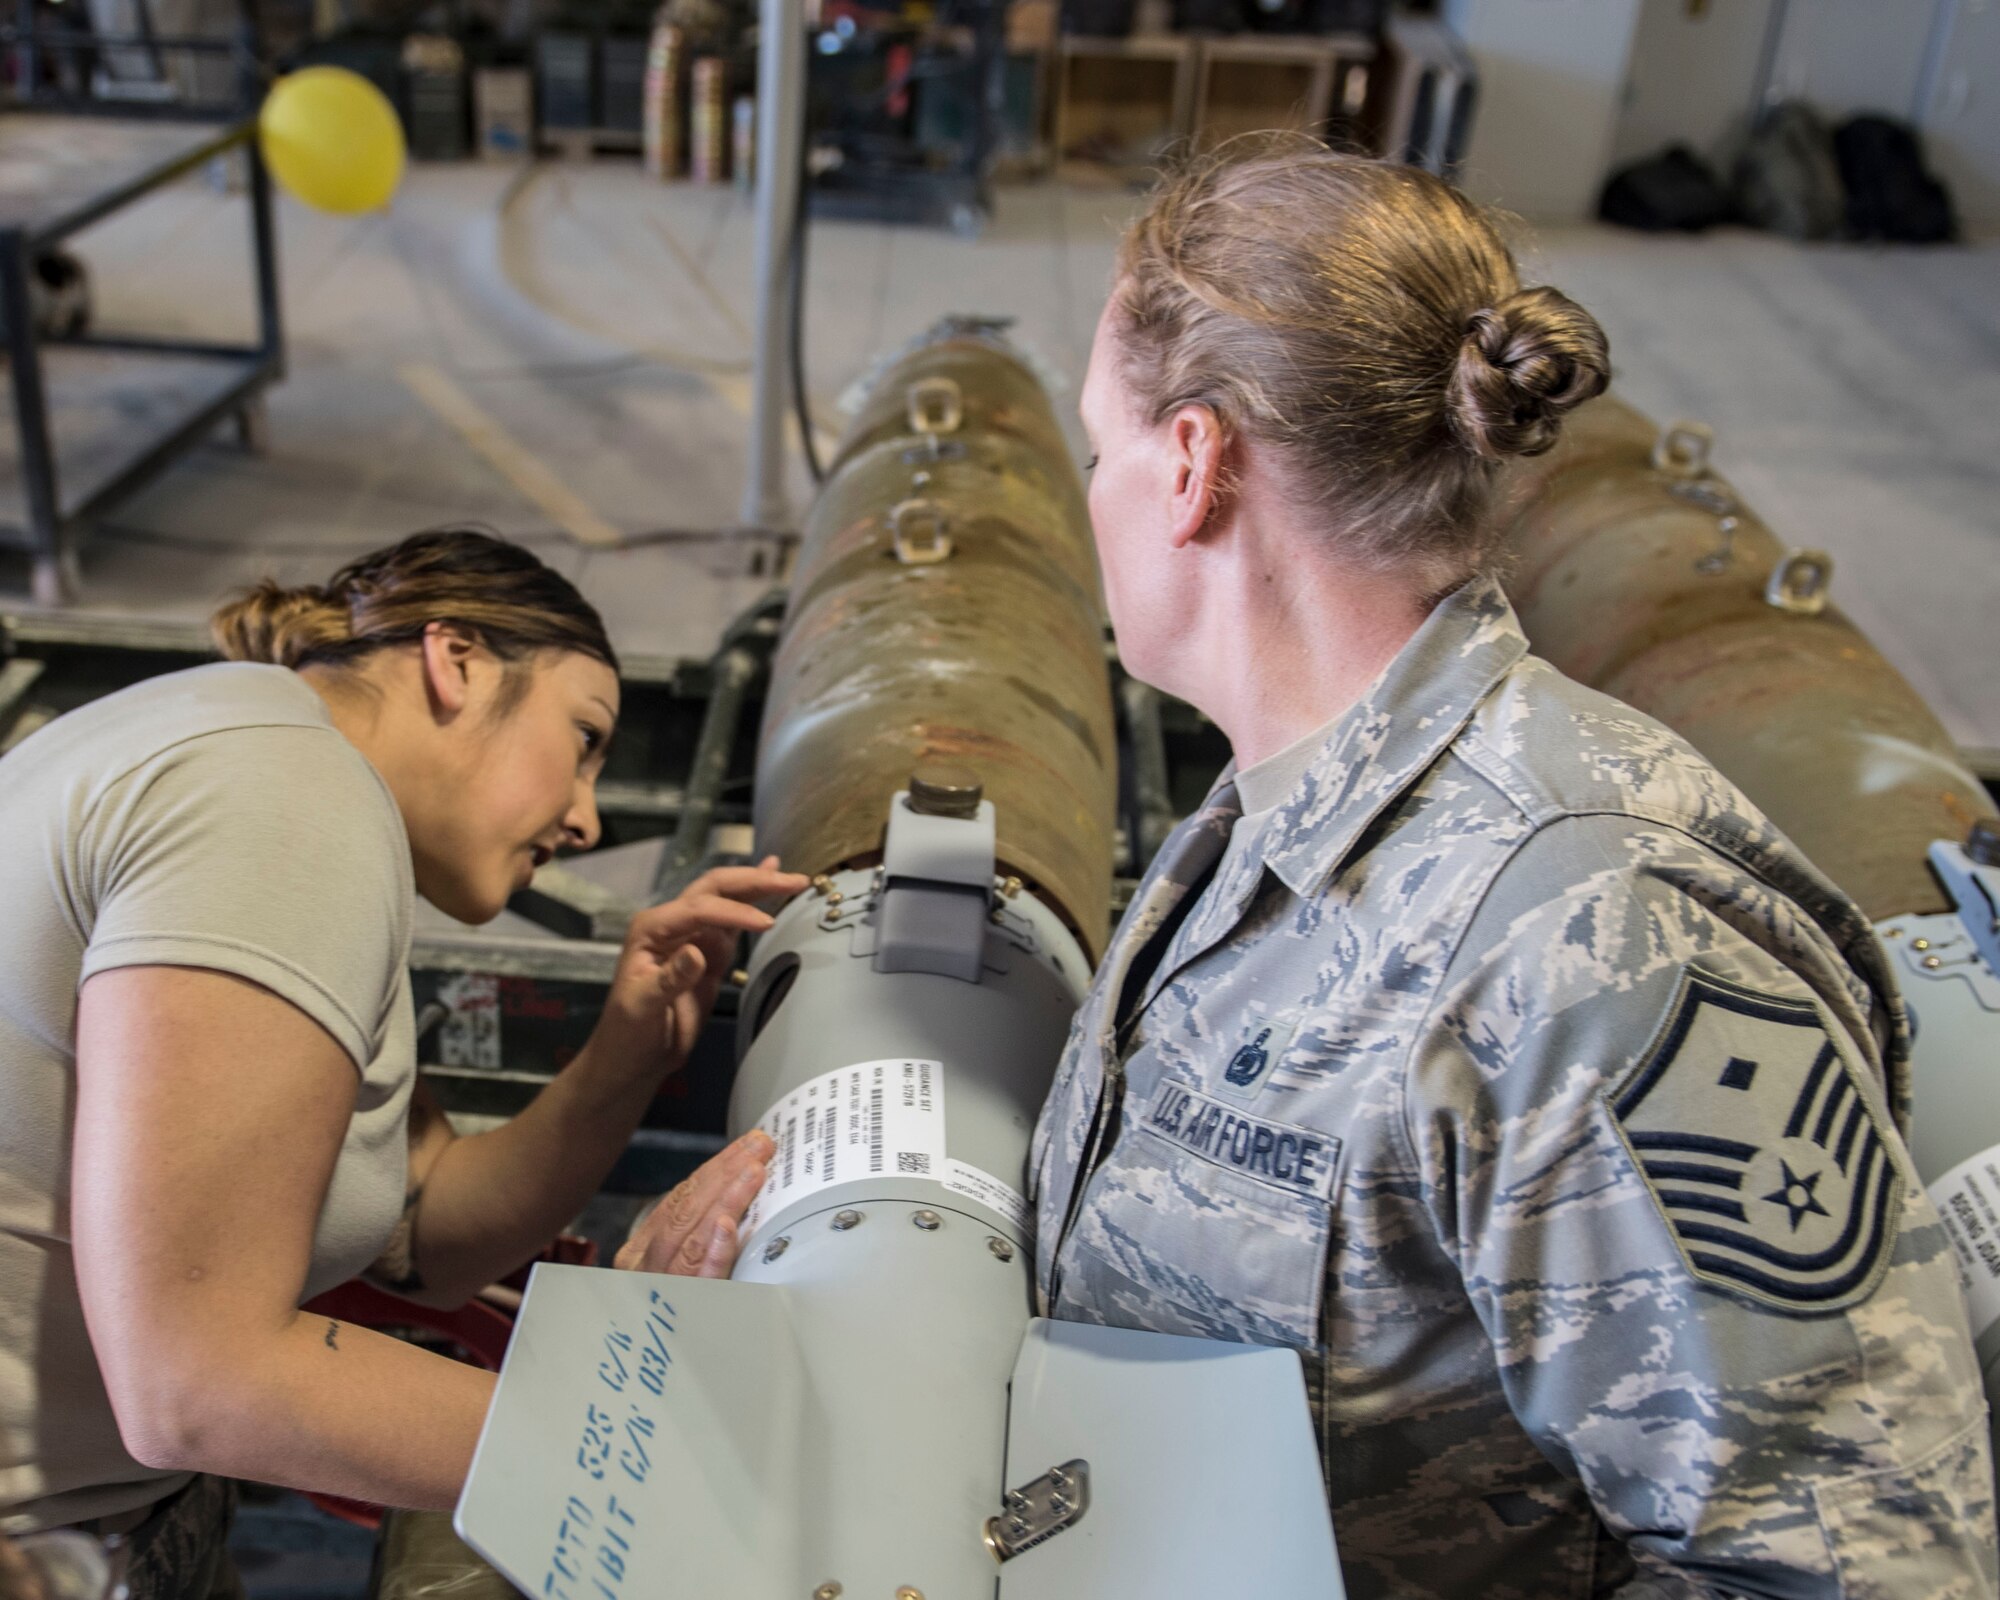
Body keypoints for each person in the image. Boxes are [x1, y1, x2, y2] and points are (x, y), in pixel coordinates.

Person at [1030, 137, 1997, 1597]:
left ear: (1192, 464)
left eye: (1098, 447)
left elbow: (1851, 1575)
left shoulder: (1593, 944)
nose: (1092, 492)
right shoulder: (1281, 814)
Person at [0, 530, 796, 1599]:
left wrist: (627, 1048)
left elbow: (420, 1234)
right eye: (582, 735)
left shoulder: (238, 743)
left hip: (116, 1517)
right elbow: (200, 1378)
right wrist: (644, 1432)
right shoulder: (279, 797)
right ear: (454, 660)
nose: (585, 815)